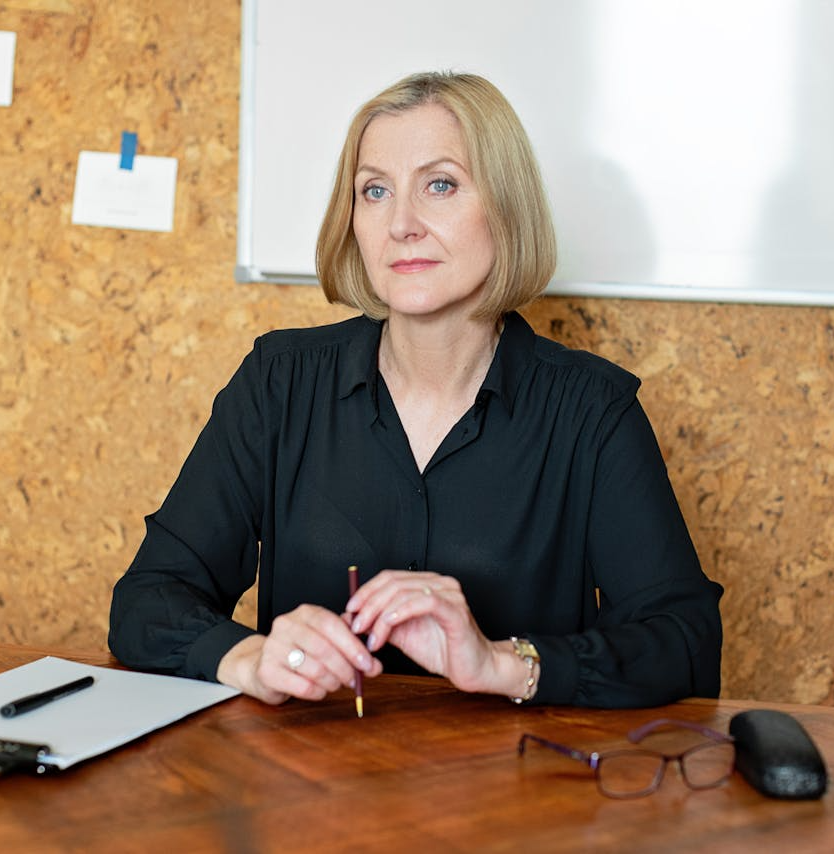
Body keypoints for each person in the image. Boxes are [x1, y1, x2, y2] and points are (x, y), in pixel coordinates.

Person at [109, 71, 723, 708]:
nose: (401, 223)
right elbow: (147, 599)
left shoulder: (592, 412)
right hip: (308, 763)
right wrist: (249, 659)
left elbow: (686, 643)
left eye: (440, 185)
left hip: (515, 767)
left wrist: (501, 663)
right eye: (375, 190)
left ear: (506, 206)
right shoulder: (279, 382)